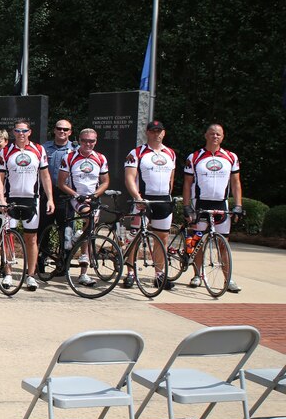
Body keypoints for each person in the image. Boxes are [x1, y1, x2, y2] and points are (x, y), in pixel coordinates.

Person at [182, 123, 243, 292]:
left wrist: (238, 205)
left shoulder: (231, 157)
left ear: (222, 137)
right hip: (200, 204)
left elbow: (236, 182)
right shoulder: (194, 157)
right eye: (212, 133)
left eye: (218, 134)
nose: (215, 137)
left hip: (221, 204)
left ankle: (228, 279)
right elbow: (187, 184)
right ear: (205, 135)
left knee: (223, 244)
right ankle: (197, 275)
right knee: (198, 241)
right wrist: (187, 206)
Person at [0, 119, 53, 291]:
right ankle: (9, 273)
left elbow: (45, 176)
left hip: (31, 199)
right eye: (18, 131)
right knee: (8, 237)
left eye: (24, 131)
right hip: (11, 198)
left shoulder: (39, 150)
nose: (21, 134)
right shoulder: (5, 151)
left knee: (31, 238)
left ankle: (31, 275)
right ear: (13, 133)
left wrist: (50, 198)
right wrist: (1, 200)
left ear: (29, 132)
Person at [122, 119, 177, 290]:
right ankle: (130, 273)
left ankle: (159, 275)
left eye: (159, 131)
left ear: (164, 133)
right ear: (147, 133)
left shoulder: (170, 153)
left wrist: (169, 196)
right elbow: (129, 177)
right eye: (153, 131)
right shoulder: (136, 153)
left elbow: (171, 179)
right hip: (143, 201)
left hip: (163, 200)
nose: (156, 134)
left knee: (162, 238)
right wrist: (137, 197)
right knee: (135, 237)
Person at [57, 128, 110, 287]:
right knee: (89, 219)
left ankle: (83, 273)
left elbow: (106, 181)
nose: (88, 144)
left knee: (90, 230)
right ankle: (79, 241)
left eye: (92, 141)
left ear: (96, 141)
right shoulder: (69, 157)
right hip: (76, 197)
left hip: (93, 198)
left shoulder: (100, 158)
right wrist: (75, 195)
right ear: (79, 140)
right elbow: (61, 182)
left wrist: (95, 195)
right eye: (85, 140)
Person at [38, 118, 75, 272]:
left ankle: (63, 264)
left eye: (65, 129)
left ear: (70, 132)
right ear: (54, 130)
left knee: (66, 231)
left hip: (65, 195)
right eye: (59, 128)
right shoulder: (44, 148)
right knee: (44, 228)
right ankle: (41, 261)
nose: (62, 131)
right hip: (47, 193)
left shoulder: (75, 149)